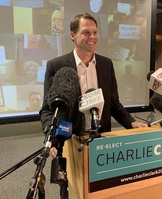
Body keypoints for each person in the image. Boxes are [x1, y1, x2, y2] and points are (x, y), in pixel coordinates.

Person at [39, 13, 148, 156]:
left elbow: (113, 103)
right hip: (69, 142)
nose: (92, 37)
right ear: (73, 35)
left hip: (101, 141)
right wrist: (50, 136)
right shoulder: (56, 66)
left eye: (95, 32)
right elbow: (47, 110)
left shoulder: (106, 64)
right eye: (86, 32)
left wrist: (131, 122)